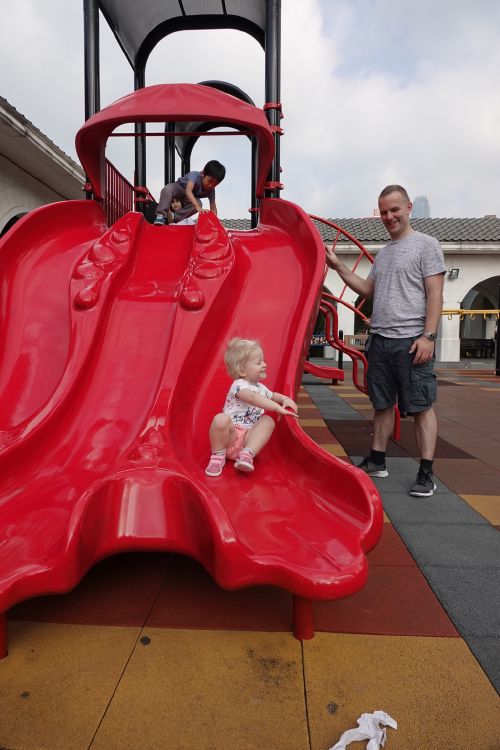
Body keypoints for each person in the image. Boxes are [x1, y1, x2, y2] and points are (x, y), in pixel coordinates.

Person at [326, 185, 446, 497]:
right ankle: (377, 459)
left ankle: (426, 472)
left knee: (421, 406)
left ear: (409, 208)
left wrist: (428, 337)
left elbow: (435, 294)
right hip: (380, 337)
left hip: (411, 340)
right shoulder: (385, 253)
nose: (389, 216)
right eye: (383, 212)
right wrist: (338, 267)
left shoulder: (426, 245)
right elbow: (367, 290)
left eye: (394, 209)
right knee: (381, 404)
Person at [205, 338, 298, 477]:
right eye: (259, 362)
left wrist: (285, 399)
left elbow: (273, 395)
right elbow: (253, 399)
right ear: (242, 371)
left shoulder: (261, 388)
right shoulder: (238, 385)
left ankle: (247, 454)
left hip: (249, 438)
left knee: (267, 421)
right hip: (230, 437)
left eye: (263, 361)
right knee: (220, 419)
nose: (265, 364)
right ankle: (217, 456)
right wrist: (277, 408)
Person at [154, 160, 225, 225]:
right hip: (178, 190)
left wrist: (215, 221)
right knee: (167, 189)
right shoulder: (194, 175)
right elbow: (188, 191)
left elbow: (213, 207)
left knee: (199, 203)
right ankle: (161, 215)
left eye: (215, 184)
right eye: (209, 181)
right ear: (203, 174)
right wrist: (197, 207)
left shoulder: (211, 190)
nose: (211, 185)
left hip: (186, 199)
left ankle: (174, 217)